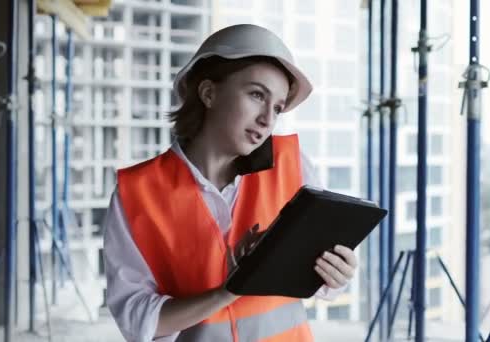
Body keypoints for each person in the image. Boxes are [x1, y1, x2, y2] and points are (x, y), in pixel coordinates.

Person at [103, 24, 358, 342]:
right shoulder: (135, 194)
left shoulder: (292, 165)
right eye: (256, 95)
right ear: (209, 93)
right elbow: (139, 320)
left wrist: (335, 273)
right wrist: (231, 288)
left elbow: (321, 281)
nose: (267, 119)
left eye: (277, 107)